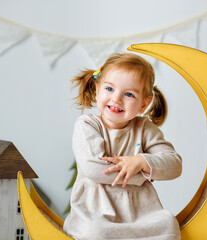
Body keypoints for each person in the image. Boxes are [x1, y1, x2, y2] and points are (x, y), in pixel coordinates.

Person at [63, 53, 182, 240]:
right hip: (98, 210)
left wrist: (141, 160)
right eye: (109, 88)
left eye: (128, 94)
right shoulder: (87, 125)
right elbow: (92, 168)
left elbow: (174, 165)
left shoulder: (144, 129)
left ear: (144, 104)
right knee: (96, 231)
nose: (116, 99)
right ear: (97, 89)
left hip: (140, 212)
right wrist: (140, 175)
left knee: (168, 225)